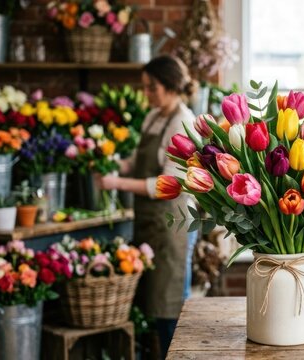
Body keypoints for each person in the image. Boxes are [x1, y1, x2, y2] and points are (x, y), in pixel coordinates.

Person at [95, 55, 198, 357]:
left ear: (170, 86)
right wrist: (114, 164)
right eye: (145, 87)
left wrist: (116, 184)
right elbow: (140, 163)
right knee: (152, 303)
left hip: (172, 225)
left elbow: (169, 183)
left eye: (151, 88)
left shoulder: (183, 122)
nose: (147, 94)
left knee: (170, 307)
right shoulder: (154, 116)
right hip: (150, 223)